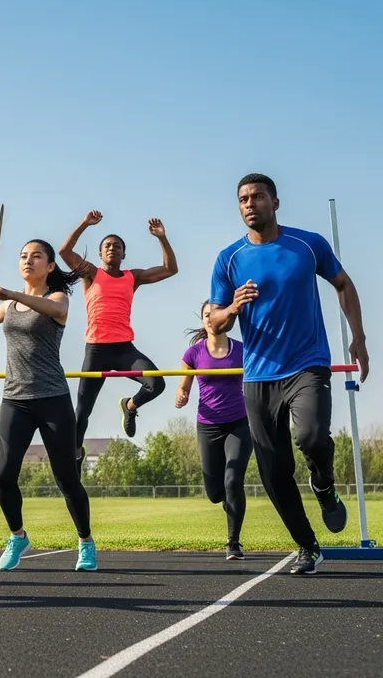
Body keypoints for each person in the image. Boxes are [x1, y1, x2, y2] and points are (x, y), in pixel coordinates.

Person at [209, 173, 369, 576]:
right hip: (259, 376)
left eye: (258, 197)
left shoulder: (307, 244)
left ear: (275, 203)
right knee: (274, 471)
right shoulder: (228, 259)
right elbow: (215, 321)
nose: (250, 203)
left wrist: (359, 337)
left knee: (312, 436)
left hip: (307, 363)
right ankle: (307, 546)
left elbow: (343, 284)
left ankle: (324, 485)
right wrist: (232, 308)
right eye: (243, 198)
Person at [0, 239, 96, 572]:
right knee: (3, 476)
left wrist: (12, 294)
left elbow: (58, 312)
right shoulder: (9, 307)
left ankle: (85, 542)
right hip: (14, 399)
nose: (28, 261)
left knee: (67, 480)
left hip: (52, 399)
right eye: (23, 256)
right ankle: (18, 536)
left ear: (49, 267)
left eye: (36, 257)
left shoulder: (56, 298)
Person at [59, 210, 178, 467]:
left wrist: (162, 238)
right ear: (101, 254)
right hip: (96, 351)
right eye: (107, 246)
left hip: (124, 349)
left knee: (156, 384)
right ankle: (77, 454)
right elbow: (65, 252)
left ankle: (130, 405)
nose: (112, 248)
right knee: (82, 412)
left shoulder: (131, 277)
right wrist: (84, 224)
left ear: (124, 254)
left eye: (117, 246)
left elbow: (170, 269)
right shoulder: (90, 273)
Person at [175, 301, 252, 560]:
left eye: (215, 314)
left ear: (226, 318)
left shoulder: (242, 350)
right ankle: (227, 503)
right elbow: (183, 386)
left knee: (233, 479)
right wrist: (182, 395)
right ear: (202, 320)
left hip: (239, 423)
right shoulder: (193, 354)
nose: (211, 319)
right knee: (215, 493)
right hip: (208, 425)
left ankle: (233, 542)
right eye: (206, 315)